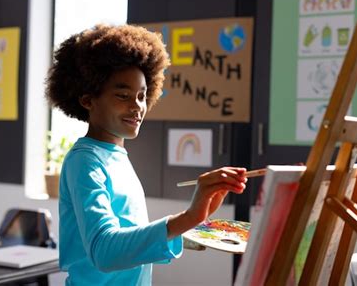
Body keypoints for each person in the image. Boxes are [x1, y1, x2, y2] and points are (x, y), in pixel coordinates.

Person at [45, 24, 247, 285]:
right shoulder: (85, 161)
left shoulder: (116, 156)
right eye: (123, 95)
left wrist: (195, 218)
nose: (137, 107)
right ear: (87, 100)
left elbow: (130, 238)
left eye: (141, 96)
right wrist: (188, 217)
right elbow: (104, 251)